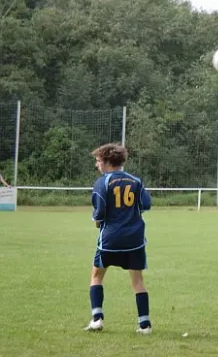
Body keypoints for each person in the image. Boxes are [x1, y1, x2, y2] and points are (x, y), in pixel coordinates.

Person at [85, 143, 153, 334]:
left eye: (98, 161)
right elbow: (146, 205)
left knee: (96, 276)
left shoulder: (102, 183)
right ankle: (145, 325)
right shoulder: (135, 181)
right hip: (135, 240)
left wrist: (99, 223)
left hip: (110, 240)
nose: (97, 165)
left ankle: (97, 320)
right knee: (138, 280)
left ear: (107, 162)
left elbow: (98, 216)